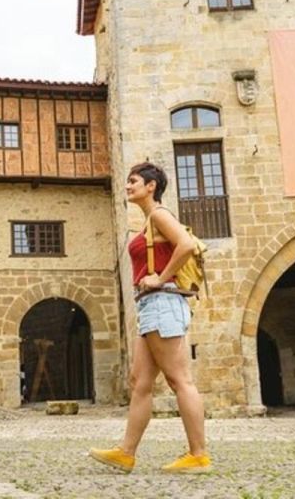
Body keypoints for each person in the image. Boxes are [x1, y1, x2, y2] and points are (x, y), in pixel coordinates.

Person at [89, 162, 210, 474]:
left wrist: (161, 278)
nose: (128, 186)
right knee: (139, 381)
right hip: (151, 306)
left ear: (151, 186)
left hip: (163, 301)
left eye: (134, 181)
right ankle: (126, 453)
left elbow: (185, 245)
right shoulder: (148, 222)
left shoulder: (159, 214)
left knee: (179, 379)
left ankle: (198, 454)